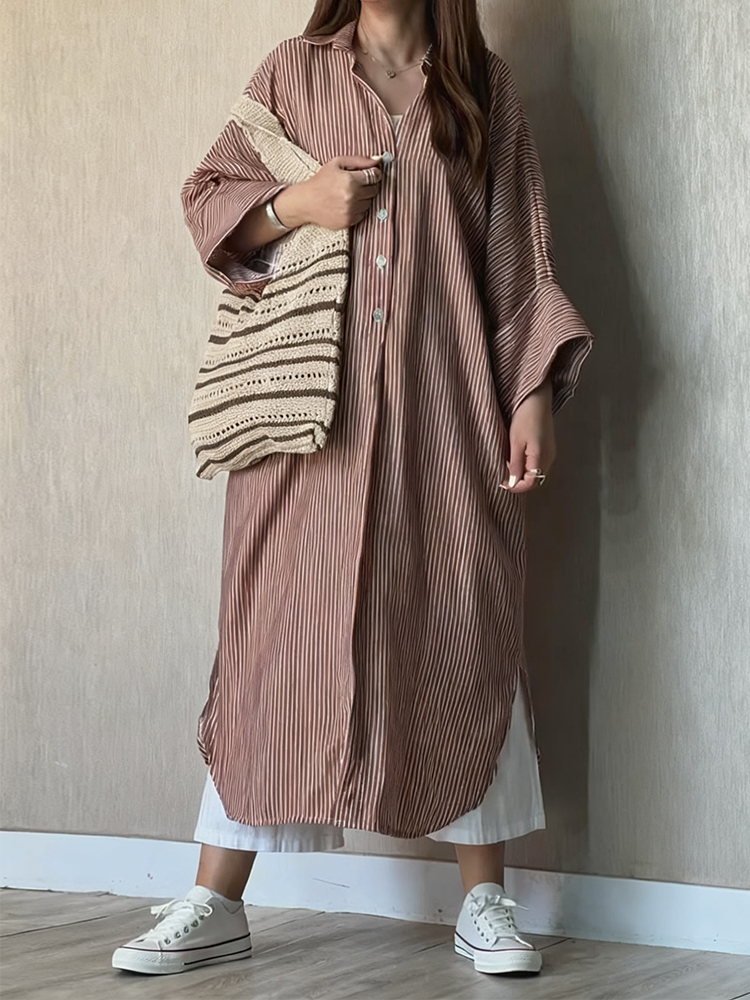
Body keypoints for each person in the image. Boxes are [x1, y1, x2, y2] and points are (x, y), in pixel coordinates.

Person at [112, 0, 593, 980]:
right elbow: (212, 196)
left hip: (443, 419)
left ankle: (484, 901)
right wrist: (300, 202)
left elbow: (518, 267)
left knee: (462, 624)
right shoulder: (292, 73)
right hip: (306, 429)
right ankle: (217, 899)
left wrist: (534, 395)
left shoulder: (484, 90)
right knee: (273, 644)